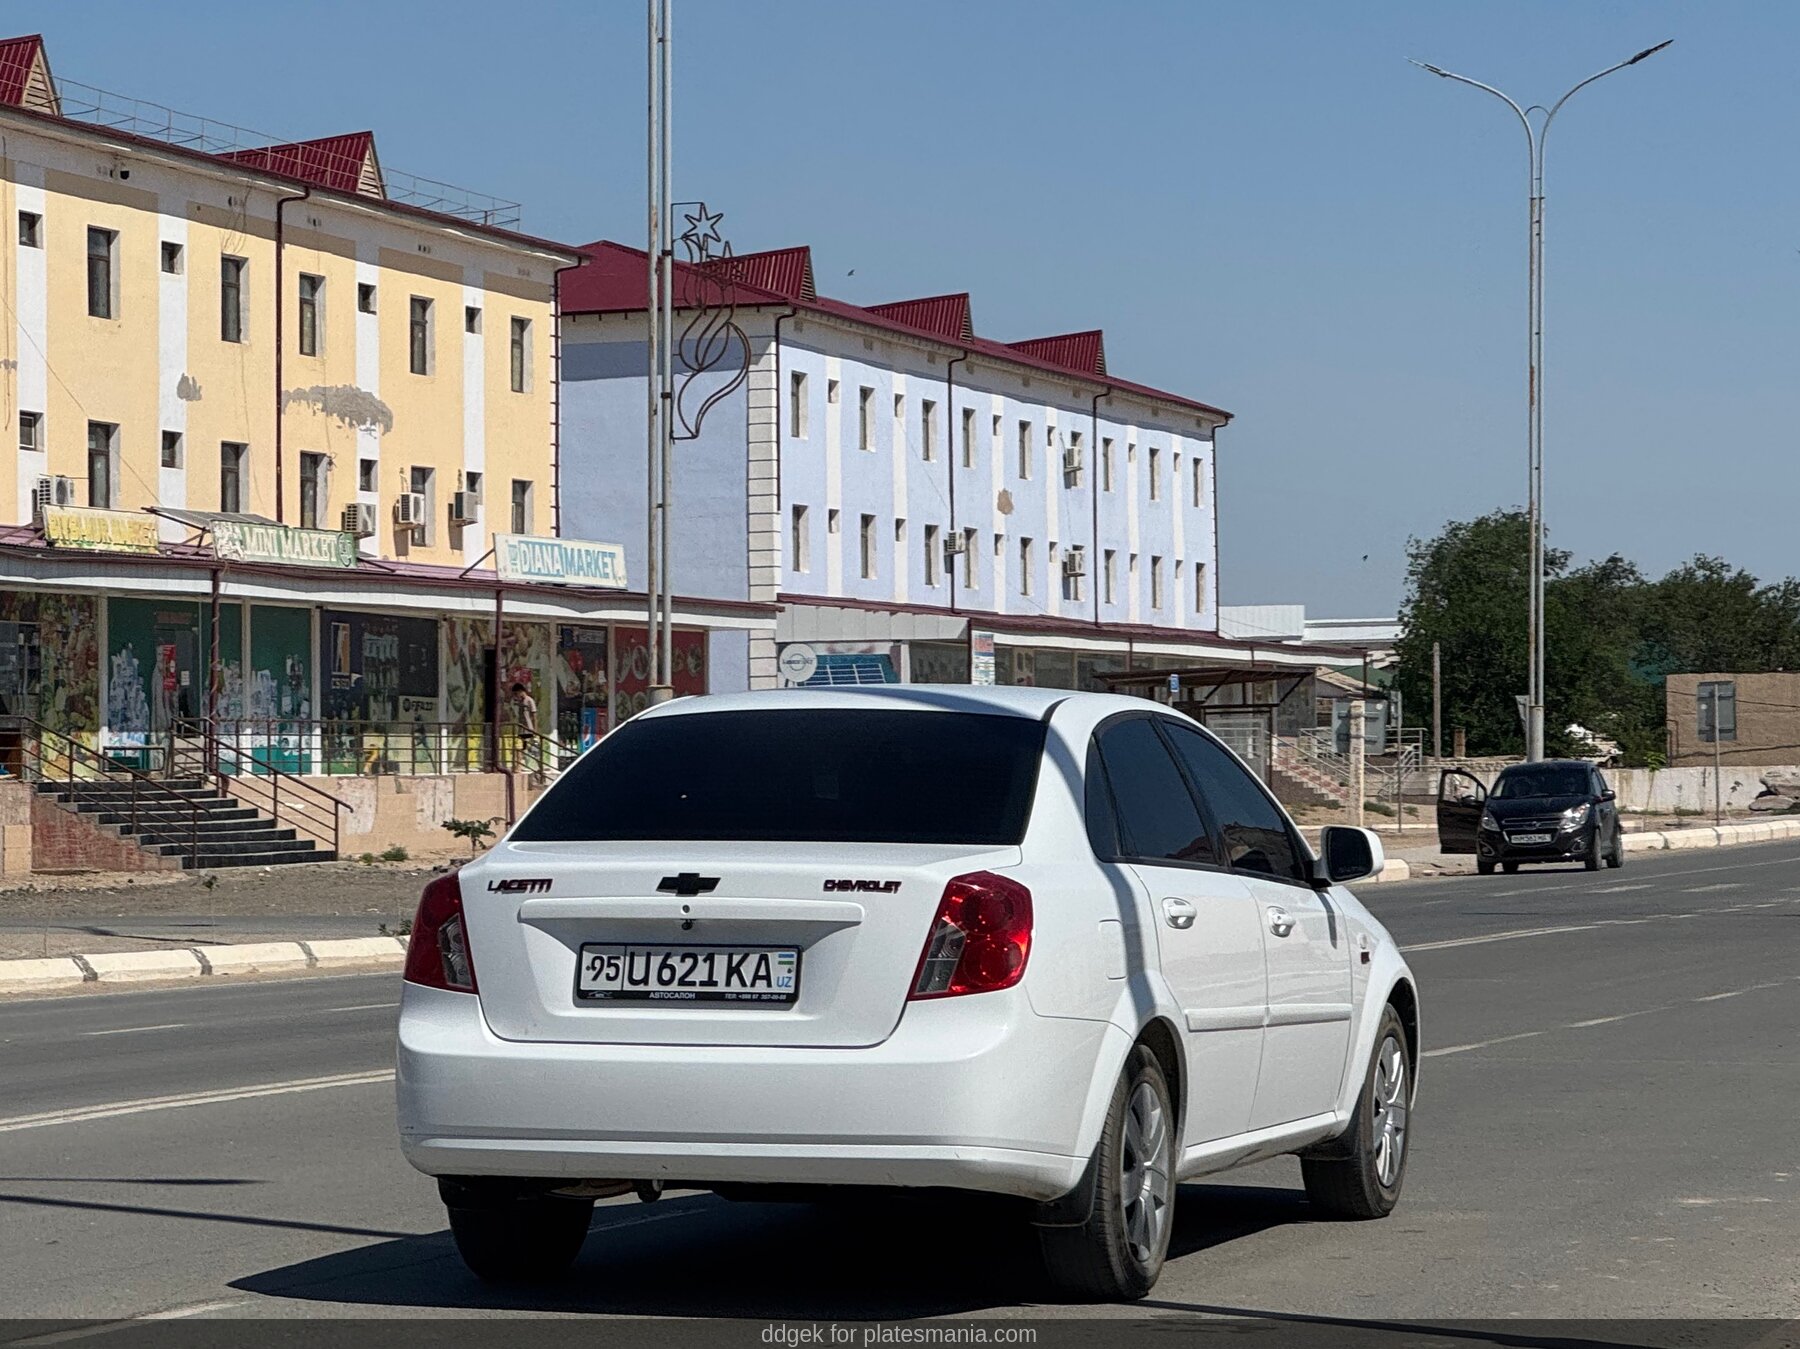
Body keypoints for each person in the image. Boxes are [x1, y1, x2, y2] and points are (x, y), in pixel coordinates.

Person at [508, 682, 543, 783]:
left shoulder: (529, 701)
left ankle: (540, 768)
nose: (516, 696)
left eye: (517, 693)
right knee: (519, 748)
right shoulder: (519, 701)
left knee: (534, 750)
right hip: (521, 728)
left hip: (529, 729)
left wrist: (535, 730)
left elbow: (534, 716)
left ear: (521, 691)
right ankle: (518, 766)